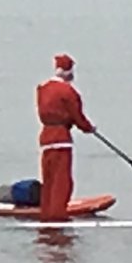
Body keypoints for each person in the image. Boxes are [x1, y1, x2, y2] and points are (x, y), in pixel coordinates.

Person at [36, 53, 94, 220]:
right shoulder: (68, 91)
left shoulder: (42, 88)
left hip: (45, 137)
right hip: (61, 138)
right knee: (62, 181)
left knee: (48, 179)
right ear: (69, 71)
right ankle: (58, 216)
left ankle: (46, 214)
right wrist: (88, 128)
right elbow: (77, 116)